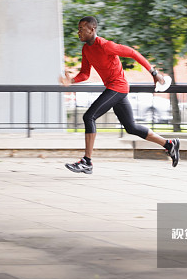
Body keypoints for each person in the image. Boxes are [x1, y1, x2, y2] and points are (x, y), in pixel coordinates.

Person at [59, 16, 180, 173]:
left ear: (92, 29)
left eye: (81, 29)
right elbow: (85, 74)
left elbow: (133, 53)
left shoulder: (105, 45)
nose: (78, 32)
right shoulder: (86, 49)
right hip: (114, 89)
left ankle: (87, 161)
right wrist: (72, 80)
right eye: (78, 29)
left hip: (118, 87)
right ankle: (169, 144)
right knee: (131, 127)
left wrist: (154, 73)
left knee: (89, 116)